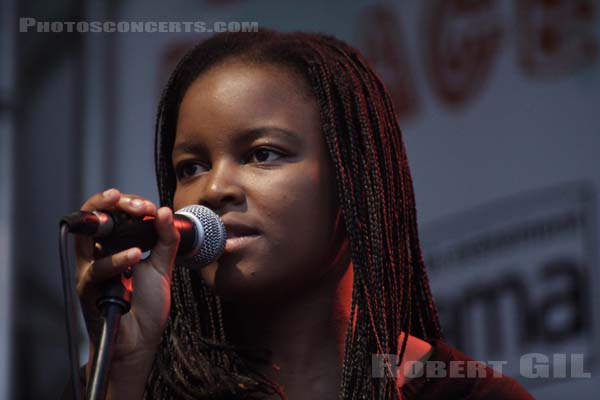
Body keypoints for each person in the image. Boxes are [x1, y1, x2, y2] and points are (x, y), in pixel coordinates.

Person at [72, 30, 534, 399]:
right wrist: (125, 376)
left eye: (262, 154)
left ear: (352, 176)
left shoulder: (470, 394)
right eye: (191, 166)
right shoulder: (129, 381)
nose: (213, 189)